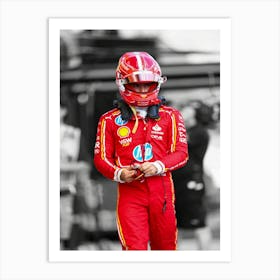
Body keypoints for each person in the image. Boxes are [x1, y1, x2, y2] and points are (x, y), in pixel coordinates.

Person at [93, 52, 188, 250]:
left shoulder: (171, 116)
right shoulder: (109, 120)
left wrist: (158, 166)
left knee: (166, 249)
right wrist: (119, 173)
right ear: (123, 83)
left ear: (158, 83)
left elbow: (181, 153)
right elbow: (101, 158)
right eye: (136, 84)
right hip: (130, 195)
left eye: (147, 84)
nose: (143, 89)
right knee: (134, 250)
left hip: (162, 194)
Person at [172, 101, 212, 250]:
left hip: (191, 185)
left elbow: (178, 142)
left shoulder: (199, 132)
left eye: (189, 109)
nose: (184, 111)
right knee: (173, 224)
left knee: (199, 223)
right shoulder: (183, 129)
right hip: (175, 184)